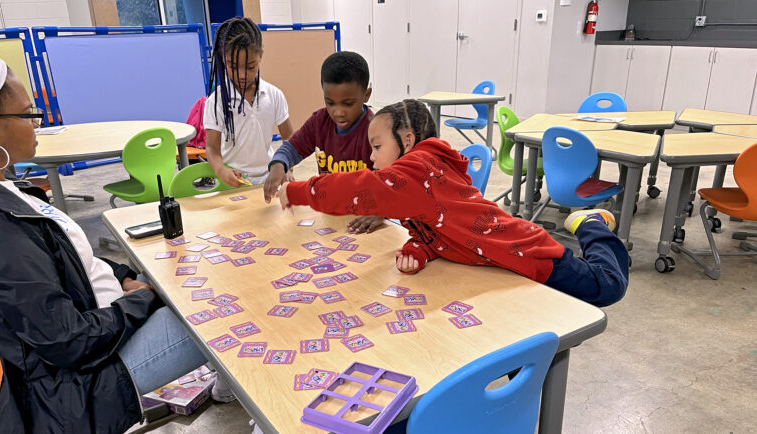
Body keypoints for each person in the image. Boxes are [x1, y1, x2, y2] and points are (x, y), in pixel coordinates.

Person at [0, 42, 207, 432]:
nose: (37, 123)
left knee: (185, 284)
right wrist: (141, 301)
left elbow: (69, 257)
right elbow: (67, 341)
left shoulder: (10, 192)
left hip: (100, 332)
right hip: (78, 385)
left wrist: (121, 274)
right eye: (26, 115)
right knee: (209, 315)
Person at [276, 99, 629, 307]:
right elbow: (438, 221)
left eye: (377, 146)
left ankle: (592, 224)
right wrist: (421, 248)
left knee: (608, 286)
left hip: (526, 254)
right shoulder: (424, 175)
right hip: (496, 262)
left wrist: (300, 191)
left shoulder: (416, 169)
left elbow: (359, 189)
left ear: (408, 139)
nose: (371, 158)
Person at [263, 51, 384, 234]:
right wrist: (279, 164)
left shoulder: (375, 130)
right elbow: (291, 148)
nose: (338, 112)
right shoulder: (319, 122)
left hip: (364, 220)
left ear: (366, 95)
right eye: (330, 103)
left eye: (348, 103)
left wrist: (381, 211)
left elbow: (392, 180)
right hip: (330, 215)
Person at [205, 17, 294, 187]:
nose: (242, 75)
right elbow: (212, 148)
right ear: (223, 60)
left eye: (250, 66)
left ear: (260, 57)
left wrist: (287, 167)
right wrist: (221, 171)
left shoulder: (274, 95)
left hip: (270, 179)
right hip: (233, 182)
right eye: (233, 66)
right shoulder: (215, 102)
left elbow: (289, 138)